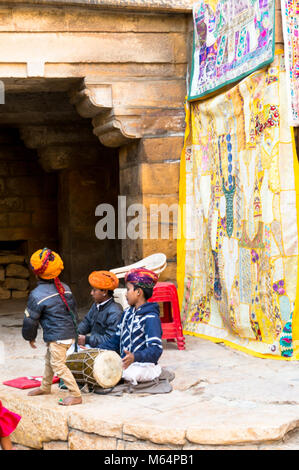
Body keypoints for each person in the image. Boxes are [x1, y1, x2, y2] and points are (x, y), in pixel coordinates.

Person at [22, 248, 82, 407]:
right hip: (67, 333)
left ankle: (76, 394)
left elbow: (30, 321)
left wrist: (29, 337)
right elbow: (74, 312)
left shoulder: (37, 294)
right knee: (49, 360)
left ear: (36, 272)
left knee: (58, 365)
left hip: (58, 337)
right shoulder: (65, 287)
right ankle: (45, 387)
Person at [100, 268, 163, 382]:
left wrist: (135, 357)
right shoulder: (127, 314)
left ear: (138, 292)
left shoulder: (151, 318)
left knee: (130, 374)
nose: (125, 294)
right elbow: (115, 340)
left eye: (128, 289)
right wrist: (96, 350)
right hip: (125, 363)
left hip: (144, 366)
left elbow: (156, 349)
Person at [77, 271, 123, 349]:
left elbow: (110, 339)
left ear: (104, 292)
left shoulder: (115, 312)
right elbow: (86, 322)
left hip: (105, 352)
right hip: (93, 346)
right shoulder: (96, 305)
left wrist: (87, 340)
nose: (91, 293)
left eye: (94, 290)